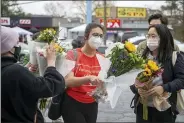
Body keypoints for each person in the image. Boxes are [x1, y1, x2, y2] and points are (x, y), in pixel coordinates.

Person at [1, 26, 65, 122]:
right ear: (9, 47)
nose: (19, 46)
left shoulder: (12, 70)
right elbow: (51, 86)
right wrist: (51, 63)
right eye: (16, 43)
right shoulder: (15, 72)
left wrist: (25, 72)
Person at [134, 24, 184, 123]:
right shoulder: (141, 58)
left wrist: (163, 88)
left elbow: (181, 80)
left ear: (163, 38)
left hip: (165, 109)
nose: (149, 39)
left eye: (153, 36)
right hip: (143, 108)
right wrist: (137, 89)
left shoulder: (175, 57)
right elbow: (132, 79)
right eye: (148, 36)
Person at [61, 23, 104, 123]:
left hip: (92, 104)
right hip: (72, 102)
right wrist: (88, 78)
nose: (98, 38)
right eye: (95, 35)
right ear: (86, 37)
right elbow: (67, 81)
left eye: (101, 36)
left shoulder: (102, 58)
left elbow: (103, 82)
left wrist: (104, 88)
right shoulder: (73, 54)